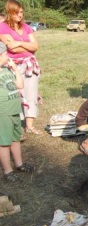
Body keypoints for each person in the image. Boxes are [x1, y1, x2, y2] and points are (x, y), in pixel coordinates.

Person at [0, 0, 41, 134]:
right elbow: (13, 49)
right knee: (16, 94)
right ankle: (15, 125)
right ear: (10, 12)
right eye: (17, 12)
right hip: (13, 66)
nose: (20, 15)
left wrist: (18, 42)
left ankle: (29, 126)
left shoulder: (26, 27)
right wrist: (25, 45)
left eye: (22, 12)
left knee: (31, 94)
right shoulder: (3, 27)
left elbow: (36, 46)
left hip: (30, 64)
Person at [0, 42, 34, 182]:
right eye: (4, 54)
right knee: (4, 142)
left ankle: (19, 164)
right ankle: (8, 170)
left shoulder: (7, 70)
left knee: (15, 138)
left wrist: (15, 70)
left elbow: (20, 85)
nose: (7, 56)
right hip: (3, 112)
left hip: (14, 110)